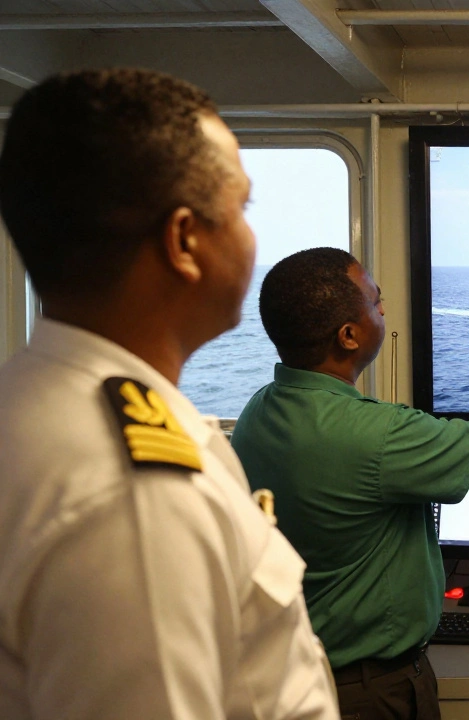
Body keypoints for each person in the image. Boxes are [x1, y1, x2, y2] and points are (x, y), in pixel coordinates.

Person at [0, 69, 339, 719]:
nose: (250, 235)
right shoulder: (134, 497)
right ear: (184, 240)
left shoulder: (31, 404)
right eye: (242, 208)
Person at [230, 247, 469, 720]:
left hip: (294, 670)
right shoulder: (375, 434)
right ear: (349, 335)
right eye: (376, 301)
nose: (385, 310)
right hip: (369, 689)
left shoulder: (258, 410)